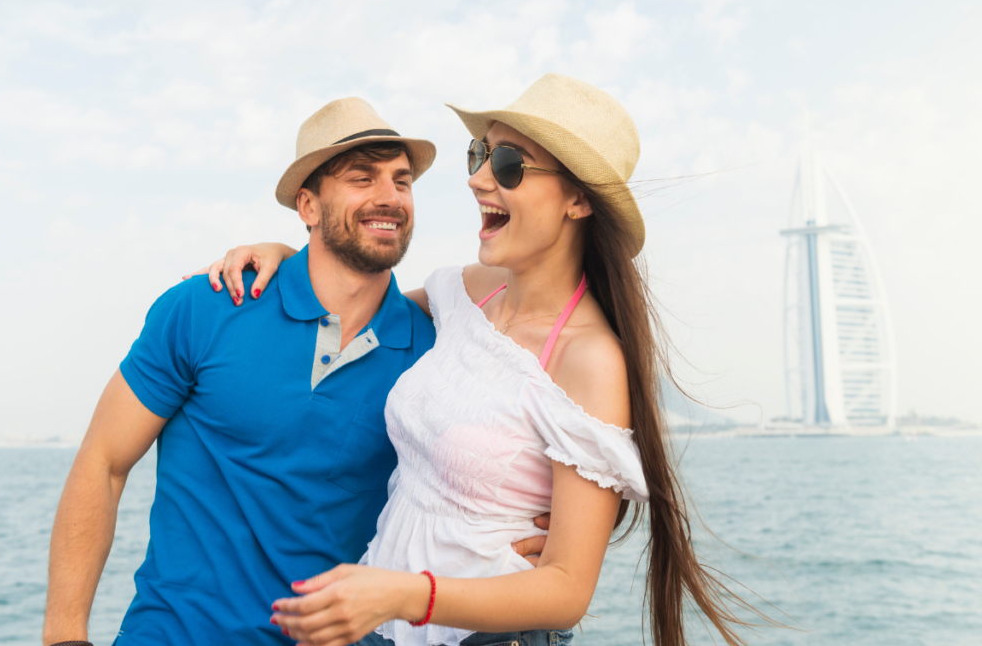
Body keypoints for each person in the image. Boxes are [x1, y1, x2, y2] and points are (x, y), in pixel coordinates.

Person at [203, 74, 749, 646]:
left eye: (509, 162)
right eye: (480, 153)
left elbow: (566, 592)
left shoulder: (588, 360)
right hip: (384, 628)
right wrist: (294, 252)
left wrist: (405, 592)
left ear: (578, 199)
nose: (477, 178)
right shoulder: (468, 291)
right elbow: (361, 305)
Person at [42, 97, 549, 646]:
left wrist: (519, 536)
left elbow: (508, 455)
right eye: (362, 178)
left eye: (402, 182)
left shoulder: (433, 361)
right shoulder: (208, 306)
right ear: (308, 206)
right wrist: (65, 635)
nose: (389, 197)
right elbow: (104, 463)